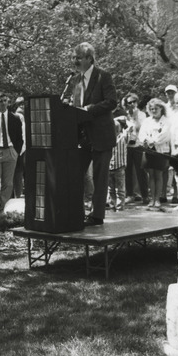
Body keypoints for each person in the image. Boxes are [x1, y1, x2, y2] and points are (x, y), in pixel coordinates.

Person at [62, 42, 117, 226]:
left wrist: (88, 109)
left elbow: (111, 102)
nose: (75, 61)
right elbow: (76, 106)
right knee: (75, 175)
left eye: (78, 57)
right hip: (83, 137)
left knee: (100, 179)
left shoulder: (103, 76)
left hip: (102, 135)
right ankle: (76, 213)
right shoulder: (75, 80)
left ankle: (97, 215)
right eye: (73, 57)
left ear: (89, 58)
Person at [137, 98, 170, 209]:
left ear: (161, 108)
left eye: (156, 108)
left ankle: (158, 199)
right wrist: (146, 140)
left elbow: (165, 135)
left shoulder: (166, 121)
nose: (153, 110)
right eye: (151, 109)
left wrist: (153, 141)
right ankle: (152, 199)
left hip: (160, 150)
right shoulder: (147, 121)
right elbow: (142, 134)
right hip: (149, 150)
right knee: (151, 175)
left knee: (159, 175)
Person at [123, 93, 148, 203]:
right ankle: (130, 194)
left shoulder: (142, 114)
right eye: (129, 102)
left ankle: (145, 195)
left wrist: (135, 115)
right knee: (127, 172)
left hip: (138, 145)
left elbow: (139, 128)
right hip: (127, 146)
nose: (132, 104)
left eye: (134, 101)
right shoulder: (124, 115)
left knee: (141, 171)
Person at [108, 119, 128, 211]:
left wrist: (118, 121)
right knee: (110, 188)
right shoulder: (107, 138)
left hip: (119, 167)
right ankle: (112, 205)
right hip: (109, 166)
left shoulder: (123, 137)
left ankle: (120, 207)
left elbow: (129, 127)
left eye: (116, 129)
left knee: (120, 189)